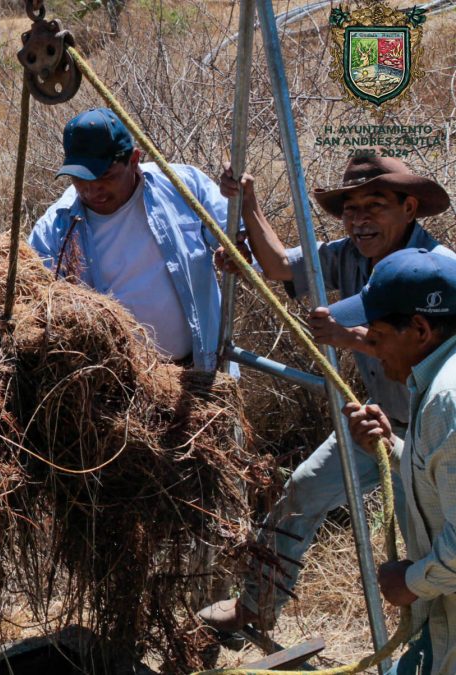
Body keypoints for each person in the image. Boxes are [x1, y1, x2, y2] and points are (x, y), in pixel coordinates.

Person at [198, 153, 454, 634]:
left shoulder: (438, 273)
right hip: (376, 426)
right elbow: (278, 265)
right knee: (301, 490)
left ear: (410, 207)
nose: (359, 220)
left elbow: (434, 354)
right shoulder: (350, 255)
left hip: (433, 435)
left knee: (431, 551)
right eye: (350, 210)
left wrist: (350, 338)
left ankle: (425, 641)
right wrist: (249, 203)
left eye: (374, 205)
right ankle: (256, 607)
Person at [27, 107, 233, 372]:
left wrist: (231, 250)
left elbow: (239, 242)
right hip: (120, 393)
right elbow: (33, 301)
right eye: (80, 179)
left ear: (134, 159)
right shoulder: (56, 227)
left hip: (203, 370)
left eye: (104, 177)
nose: (91, 190)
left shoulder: (182, 186)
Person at [337, 249, 456, 675]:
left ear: (420, 328)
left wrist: (412, 581)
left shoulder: (448, 400)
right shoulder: (440, 380)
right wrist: (392, 447)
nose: (369, 347)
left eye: (377, 334)